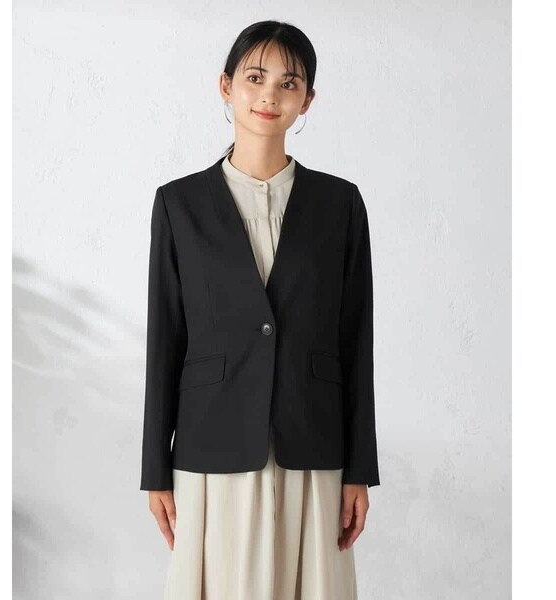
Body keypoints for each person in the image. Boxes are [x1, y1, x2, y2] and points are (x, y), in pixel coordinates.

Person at [140, 20, 380, 600]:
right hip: (213, 445)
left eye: (288, 83)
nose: (270, 94)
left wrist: (359, 470)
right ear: (226, 86)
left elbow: (356, 341)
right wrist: (154, 470)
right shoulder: (179, 204)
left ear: (307, 99)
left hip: (313, 443)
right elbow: (165, 340)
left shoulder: (340, 204)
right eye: (255, 77)